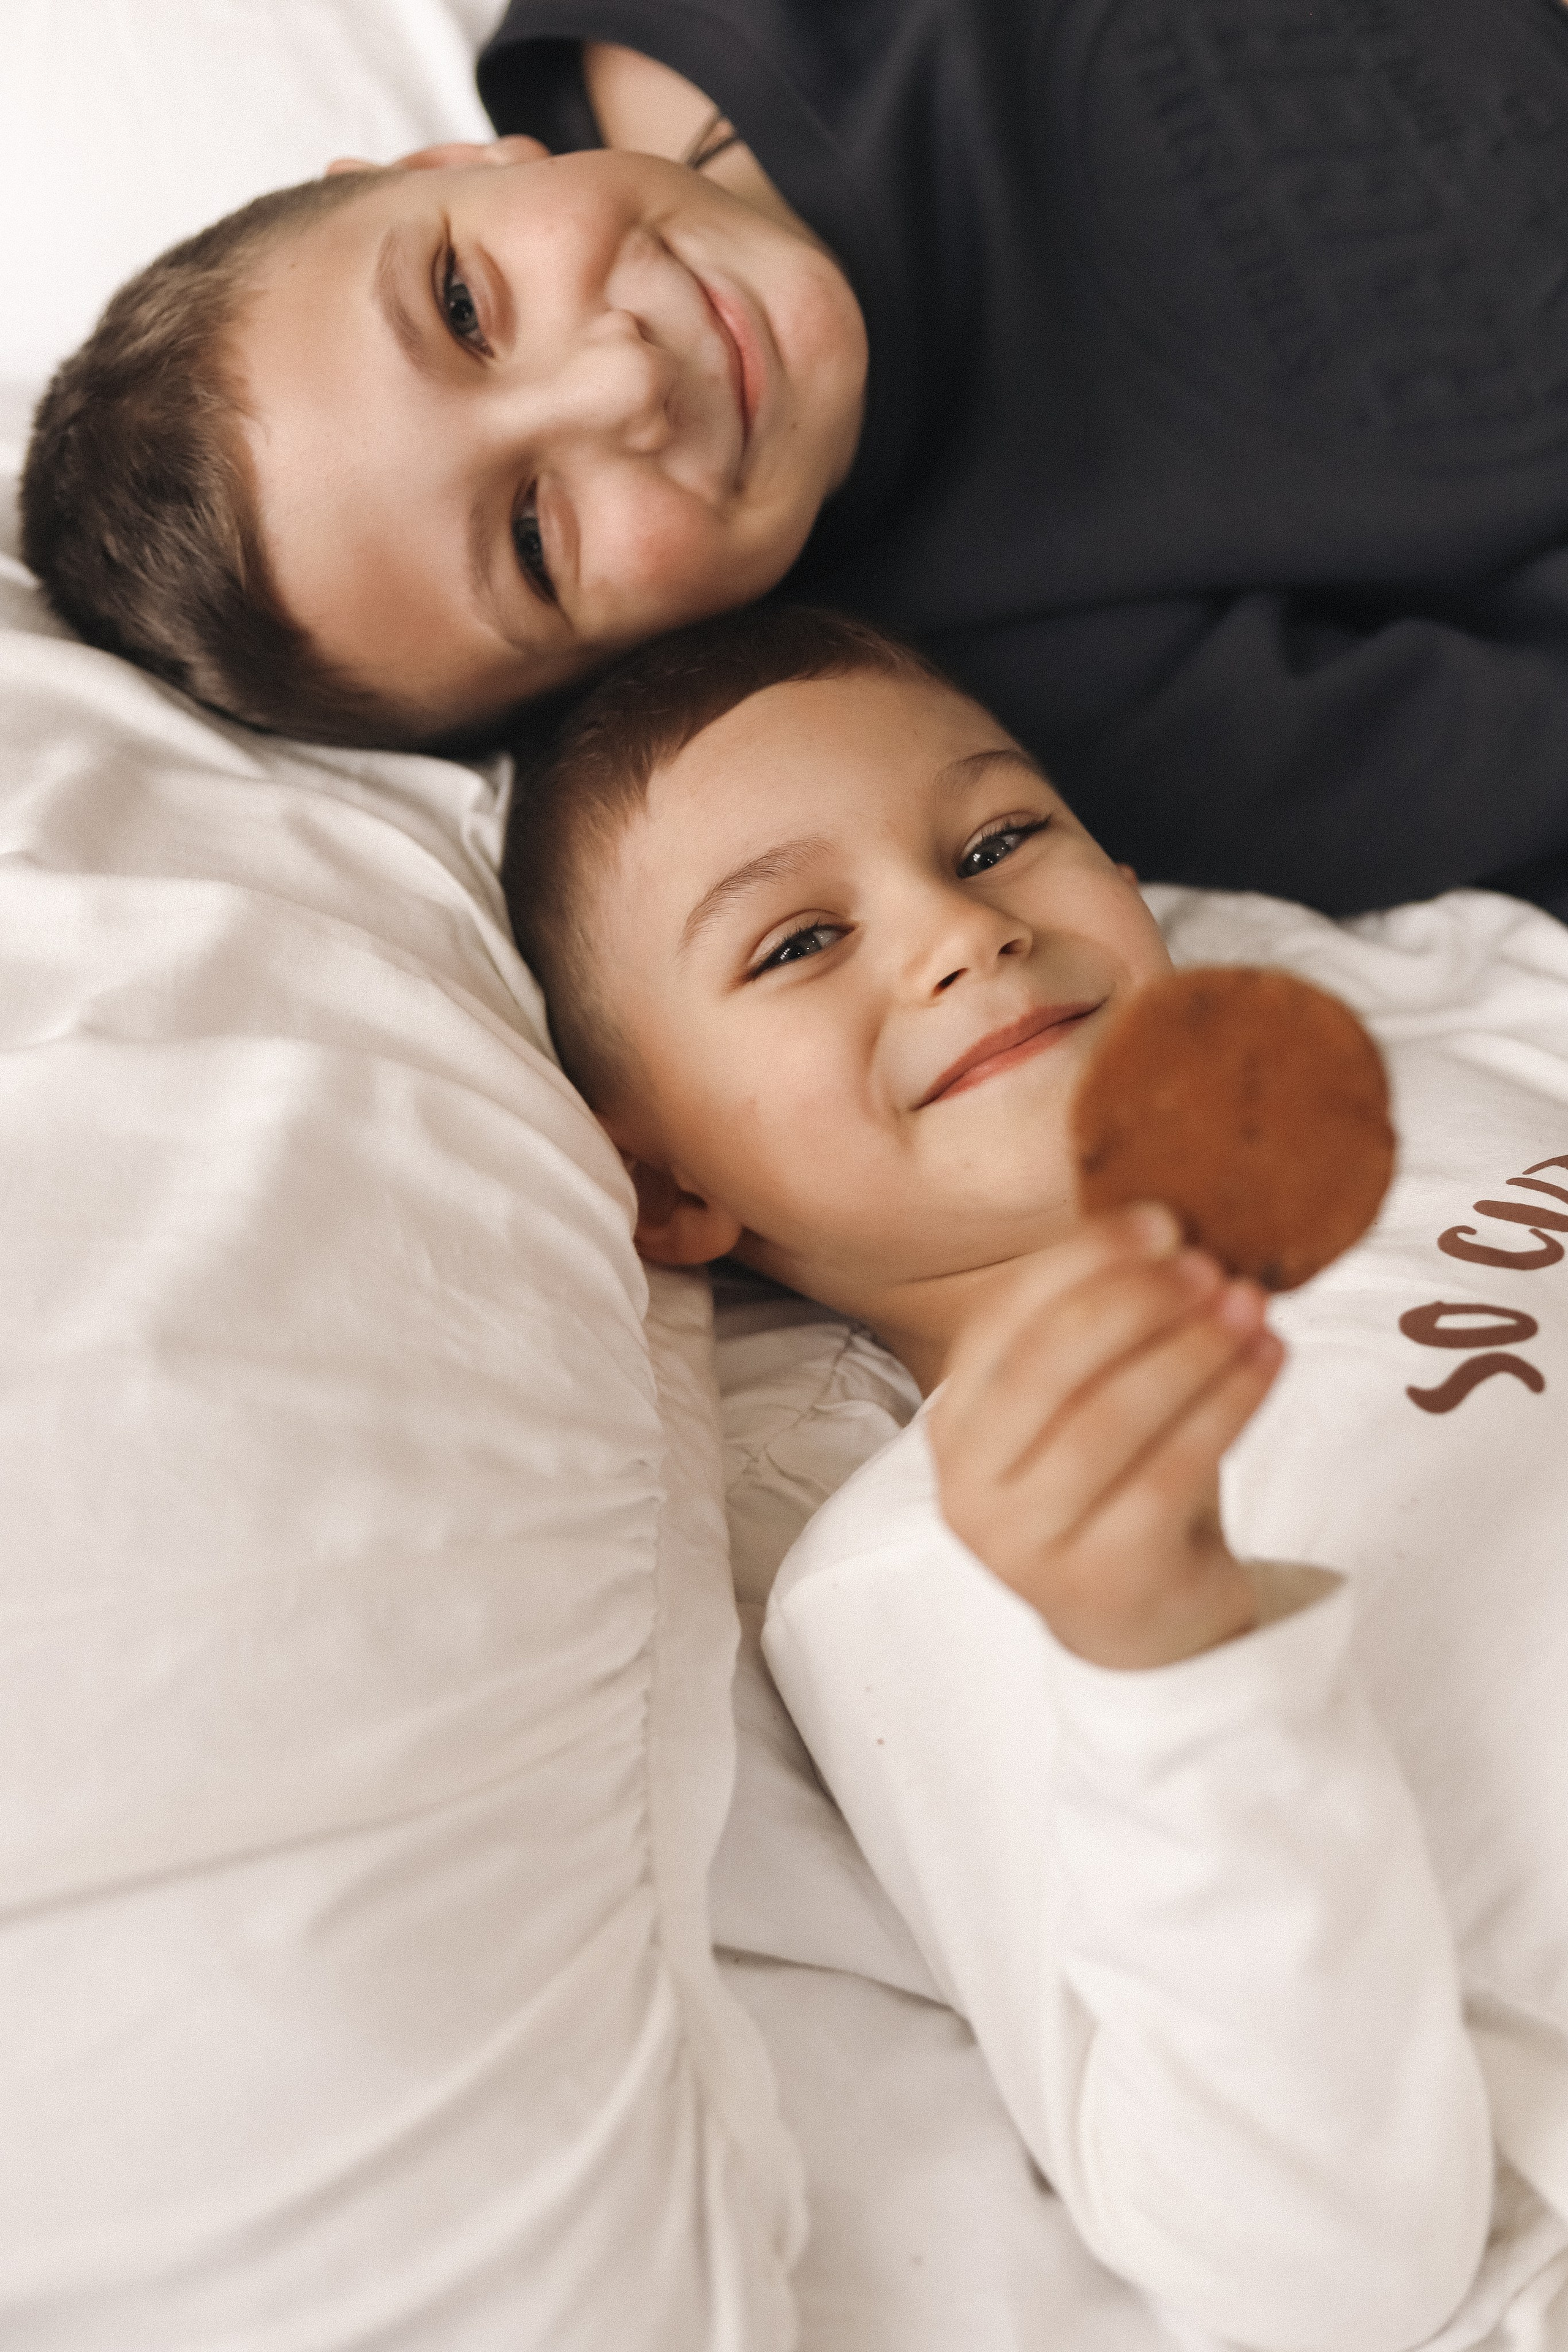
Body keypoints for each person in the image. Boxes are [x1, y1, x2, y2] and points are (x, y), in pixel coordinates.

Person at [499, 601, 1495, 2349]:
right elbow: (1317, 2282)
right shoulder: (943, 1570)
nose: (963, 929)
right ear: (668, 1196)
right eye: (799, 943)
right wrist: (1176, 1653)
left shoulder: (1427, 1029)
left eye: (995, 837)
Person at [21, 1, 1568, 917]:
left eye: (461, 303)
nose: (618, 378)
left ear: (447, 168)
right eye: (538, 540)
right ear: (617, 668)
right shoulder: (1034, 702)